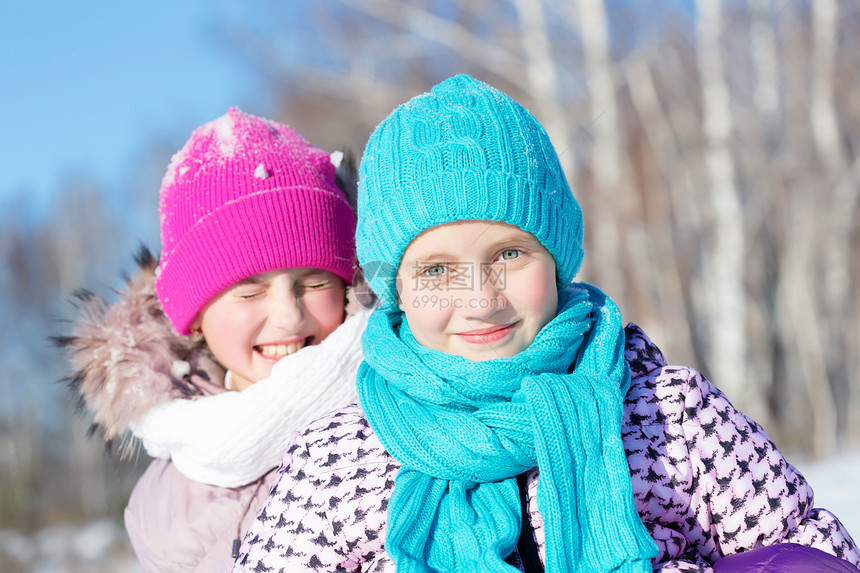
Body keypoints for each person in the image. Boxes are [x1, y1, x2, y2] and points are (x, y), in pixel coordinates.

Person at [231, 75, 860, 572]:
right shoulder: (337, 459)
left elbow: (807, 552)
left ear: (556, 259)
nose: (479, 299)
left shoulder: (666, 414)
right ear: (393, 289)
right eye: (435, 271)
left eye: (508, 255)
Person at [58, 107, 371, 572]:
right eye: (250, 290)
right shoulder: (163, 510)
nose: (288, 314)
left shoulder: (404, 403)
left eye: (315, 281)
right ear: (196, 318)